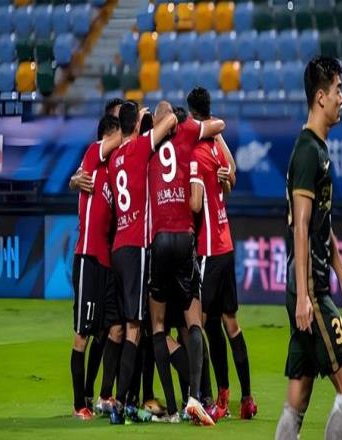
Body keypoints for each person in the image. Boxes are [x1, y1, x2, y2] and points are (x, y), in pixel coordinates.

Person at [275, 56, 342, 440]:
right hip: (310, 288)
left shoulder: (317, 149)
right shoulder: (309, 152)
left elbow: (321, 226)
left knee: (299, 392)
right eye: (338, 90)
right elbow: (301, 227)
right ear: (320, 97)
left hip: (311, 284)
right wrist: (304, 296)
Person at [148, 100, 224, 424]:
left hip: (158, 239)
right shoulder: (188, 136)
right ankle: (195, 396)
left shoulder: (147, 145)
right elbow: (218, 125)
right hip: (184, 237)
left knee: (158, 326)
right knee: (194, 322)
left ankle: (171, 407)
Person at [188, 86, 257, 420]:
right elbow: (231, 175)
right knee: (229, 322)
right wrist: (227, 178)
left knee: (200, 322)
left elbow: (194, 203)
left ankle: (214, 398)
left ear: (191, 115)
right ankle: (247, 398)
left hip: (209, 249)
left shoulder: (195, 151)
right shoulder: (216, 145)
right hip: (226, 243)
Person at [107, 101, 178, 424]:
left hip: (118, 247)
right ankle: (120, 404)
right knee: (135, 329)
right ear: (135, 124)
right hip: (137, 246)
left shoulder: (114, 158)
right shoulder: (138, 148)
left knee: (129, 327)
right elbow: (171, 119)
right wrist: (149, 117)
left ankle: (127, 399)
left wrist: (135, 120)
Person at [70, 114, 123, 419]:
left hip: (106, 263)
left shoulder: (113, 174)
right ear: (107, 136)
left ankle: (102, 395)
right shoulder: (93, 154)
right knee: (83, 334)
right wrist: (134, 127)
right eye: (116, 135)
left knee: (113, 330)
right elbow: (116, 139)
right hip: (88, 258)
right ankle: (79, 403)